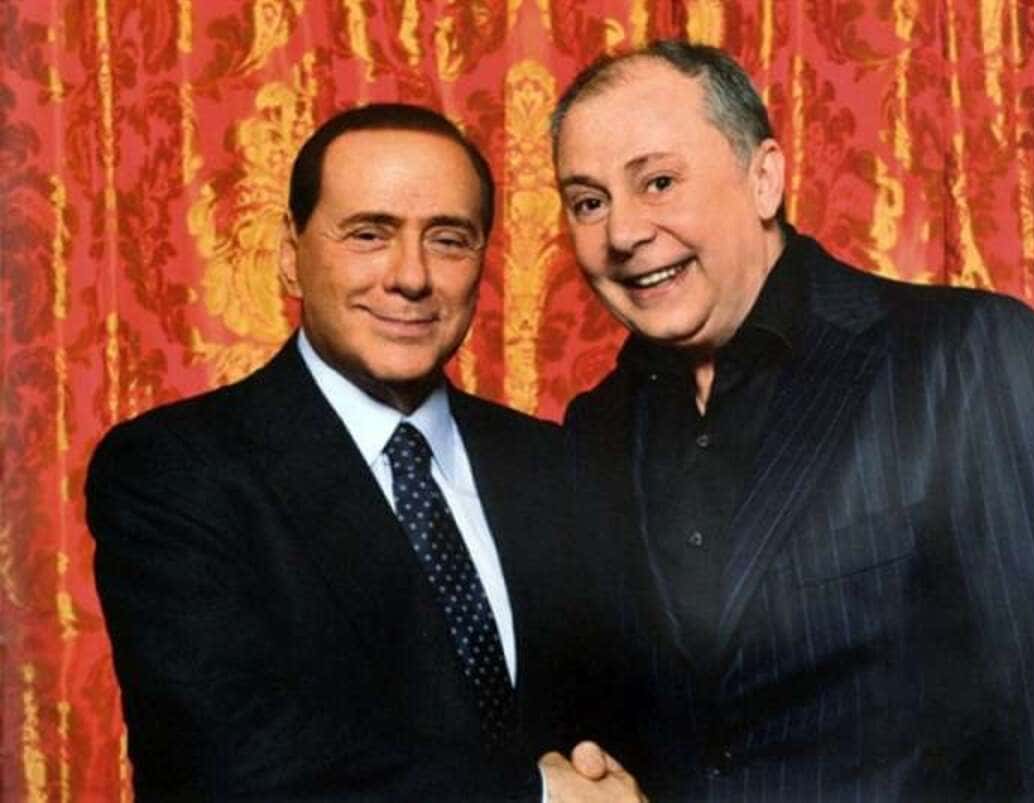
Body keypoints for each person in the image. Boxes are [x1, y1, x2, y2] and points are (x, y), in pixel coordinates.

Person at [553, 41, 1034, 801]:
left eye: (659, 182)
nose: (622, 232)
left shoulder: (969, 358)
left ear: (763, 179)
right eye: (589, 202)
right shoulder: (596, 429)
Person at [86, 103, 643, 802]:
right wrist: (536, 795)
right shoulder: (176, 469)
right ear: (289, 255)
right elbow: (225, 763)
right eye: (369, 234)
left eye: (448, 239)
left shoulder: (553, 465)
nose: (411, 276)